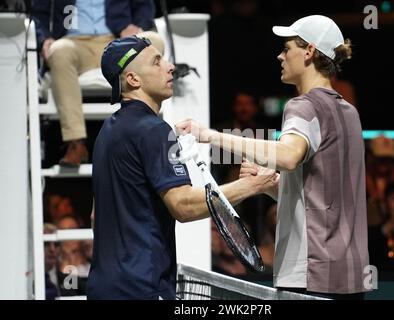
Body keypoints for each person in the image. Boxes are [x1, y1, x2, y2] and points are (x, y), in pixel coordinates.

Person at [176, 15, 369, 299]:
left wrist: (209, 135)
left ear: (309, 51)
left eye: (287, 48)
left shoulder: (303, 106)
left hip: (310, 275)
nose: (280, 55)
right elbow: (324, 198)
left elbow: (289, 156)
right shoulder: (350, 113)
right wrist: (270, 186)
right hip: (351, 275)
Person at [86, 36, 277, 300]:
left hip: (104, 286)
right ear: (133, 79)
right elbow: (184, 206)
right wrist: (252, 185)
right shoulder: (153, 130)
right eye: (157, 62)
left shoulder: (108, 132)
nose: (170, 66)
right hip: (143, 289)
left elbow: (97, 216)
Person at [32, 0, 162, 166]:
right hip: (74, 42)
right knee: (58, 50)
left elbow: (144, 5)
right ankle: (75, 143)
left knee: (153, 41)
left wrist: (138, 27)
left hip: (117, 41)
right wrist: (44, 39)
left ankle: (148, 137)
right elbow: (39, 12)